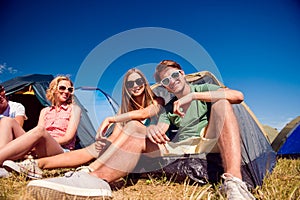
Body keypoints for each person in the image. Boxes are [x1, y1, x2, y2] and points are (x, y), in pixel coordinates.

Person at [25, 61, 255, 200]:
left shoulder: (202, 87)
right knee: (132, 129)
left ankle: (234, 183)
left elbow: (237, 96)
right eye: (166, 81)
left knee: (223, 102)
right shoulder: (167, 106)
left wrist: (193, 95)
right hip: (176, 147)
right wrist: (155, 131)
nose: (172, 81)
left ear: (182, 74)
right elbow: (160, 125)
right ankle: (94, 178)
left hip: (207, 140)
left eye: (175, 75)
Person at [4, 68, 164, 178]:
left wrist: (111, 119)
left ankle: (90, 170)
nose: (135, 86)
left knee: (133, 126)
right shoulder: (123, 111)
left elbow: (145, 113)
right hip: (129, 152)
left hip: (153, 149)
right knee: (95, 147)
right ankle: (37, 165)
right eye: (130, 83)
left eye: (139, 81)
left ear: (145, 82)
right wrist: (102, 143)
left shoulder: (157, 100)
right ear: (126, 88)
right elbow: (114, 137)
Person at [0, 76, 81, 178]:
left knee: (40, 131)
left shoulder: (75, 109)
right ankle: (2, 161)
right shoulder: (45, 111)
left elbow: (68, 138)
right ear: (54, 89)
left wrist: (42, 140)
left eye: (70, 89)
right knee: (7, 121)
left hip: (61, 150)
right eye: (62, 88)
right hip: (40, 146)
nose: (66, 92)